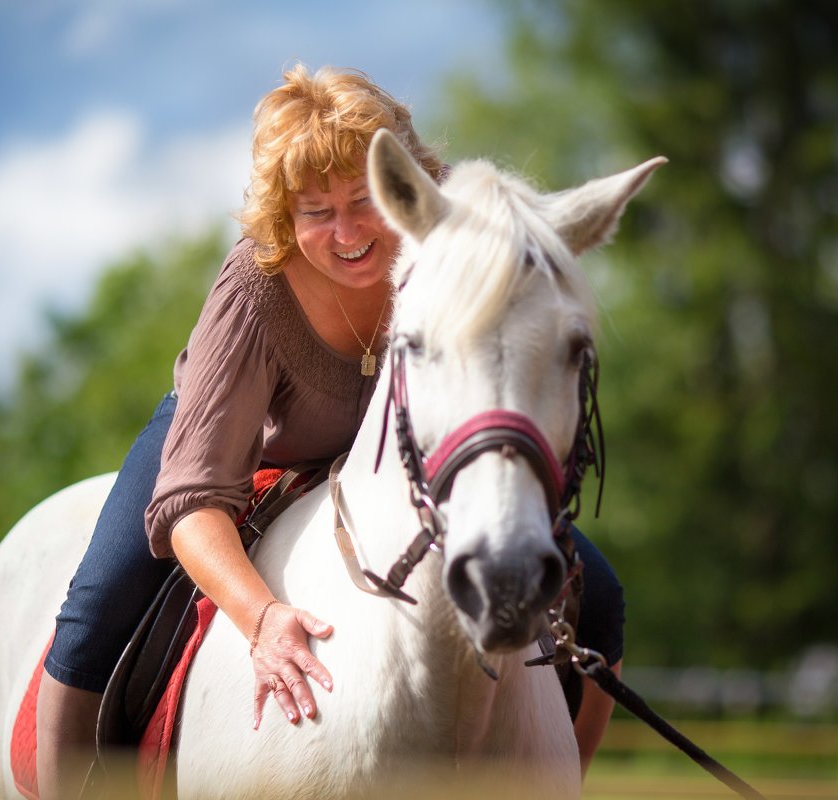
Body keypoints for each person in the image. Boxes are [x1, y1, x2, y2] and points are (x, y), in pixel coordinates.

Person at [36, 64, 624, 798]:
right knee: (98, 608)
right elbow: (192, 504)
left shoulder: (449, 259)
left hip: (390, 461)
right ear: (287, 215)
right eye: (316, 211)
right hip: (237, 445)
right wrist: (261, 617)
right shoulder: (256, 287)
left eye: (361, 202)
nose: (346, 233)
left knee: (599, 598)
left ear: (399, 188)